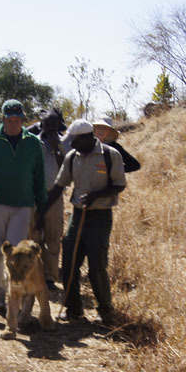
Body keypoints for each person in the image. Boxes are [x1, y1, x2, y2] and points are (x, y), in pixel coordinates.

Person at [0, 99, 47, 317]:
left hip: (23, 206)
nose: (14, 124)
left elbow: (39, 177)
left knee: (17, 255)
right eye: (9, 120)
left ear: (23, 119)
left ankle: (14, 298)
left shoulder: (32, 142)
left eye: (17, 120)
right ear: (3, 119)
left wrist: (41, 206)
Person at [52, 119, 127, 325]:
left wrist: (97, 195)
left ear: (86, 138)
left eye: (74, 140)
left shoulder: (110, 155)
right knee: (69, 263)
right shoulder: (71, 157)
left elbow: (119, 184)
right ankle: (73, 309)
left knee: (97, 266)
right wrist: (42, 211)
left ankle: (105, 310)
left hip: (100, 217)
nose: (71, 144)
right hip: (77, 216)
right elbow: (60, 185)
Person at [32, 107, 69, 291]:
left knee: (53, 237)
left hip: (55, 196)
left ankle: (50, 277)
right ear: (42, 125)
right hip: (35, 196)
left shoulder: (64, 144)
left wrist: (56, 150)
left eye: (55, 126)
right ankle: (35, 273)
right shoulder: (33, 142)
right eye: (48, 125)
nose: (52, 129)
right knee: (35, 235)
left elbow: (66, 171)